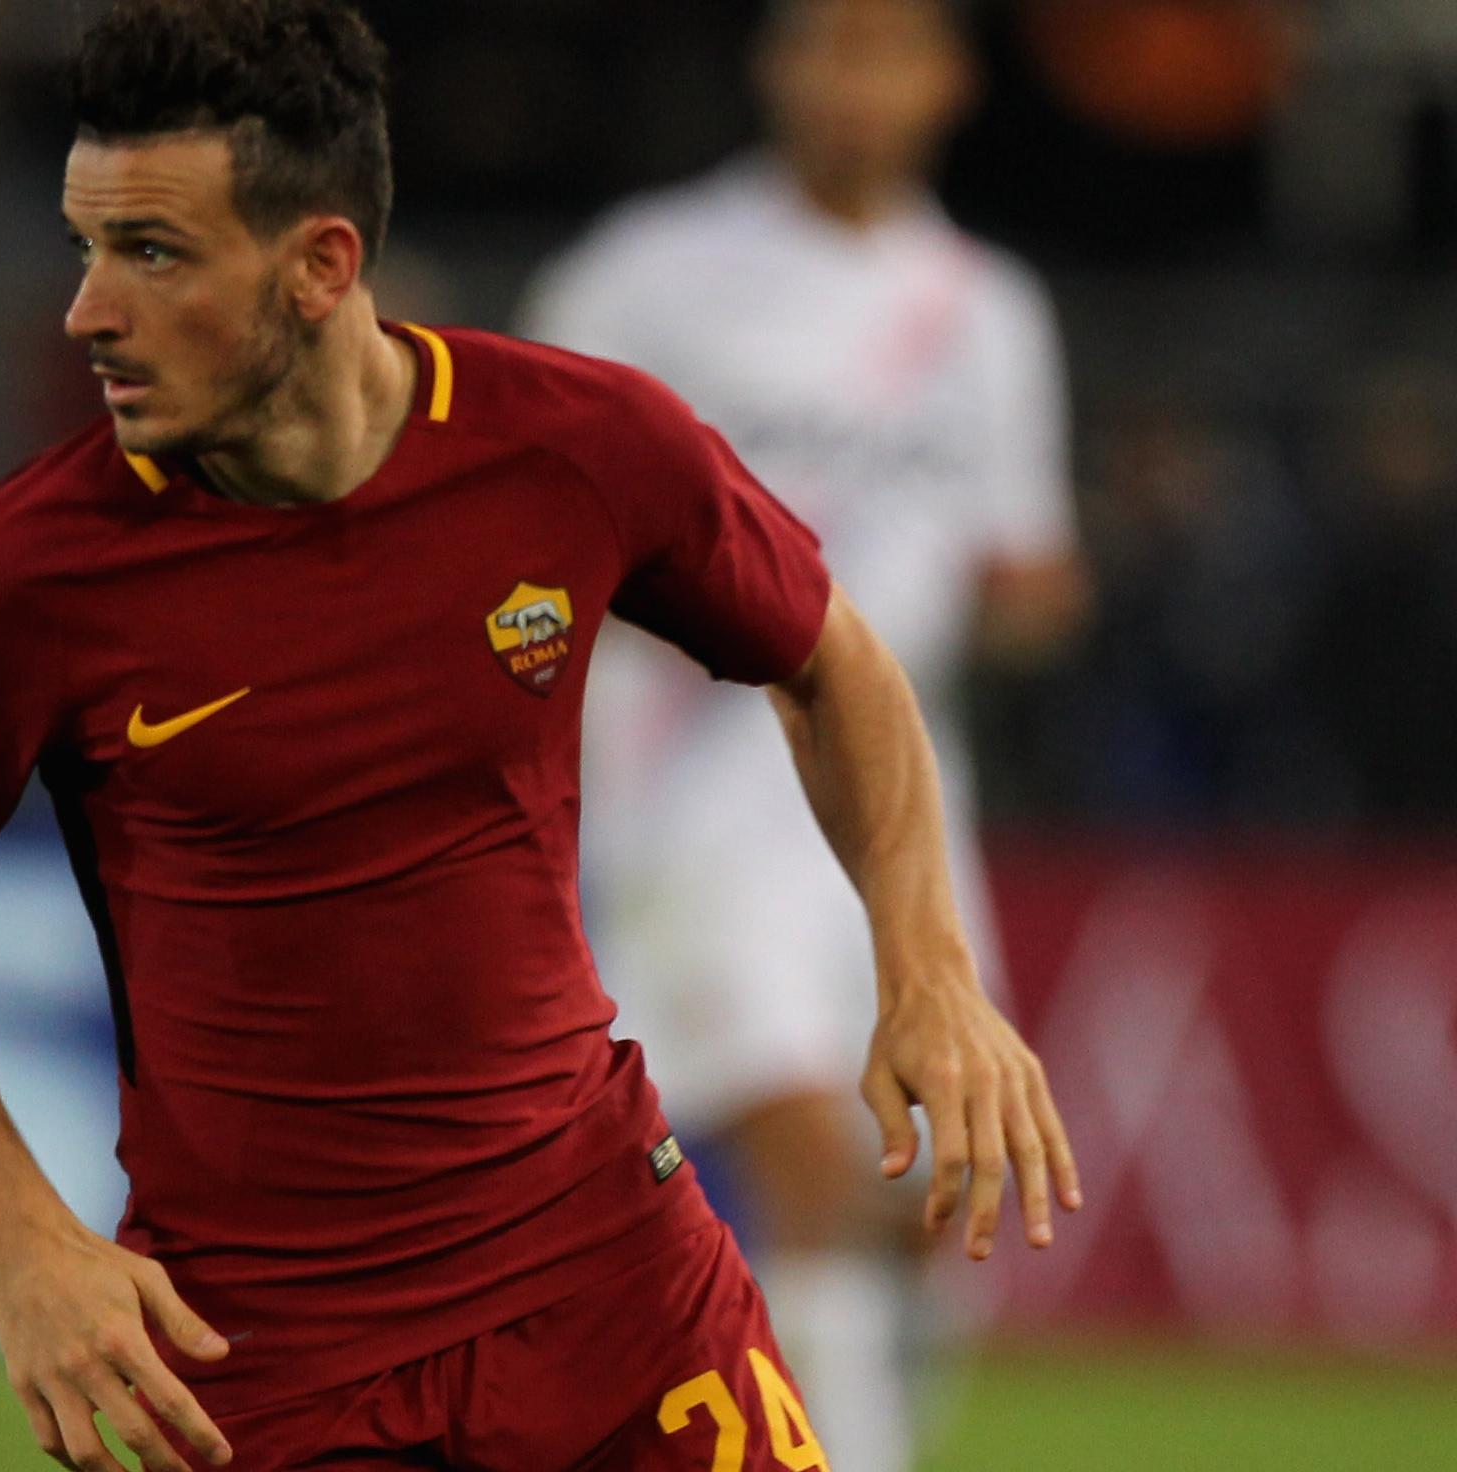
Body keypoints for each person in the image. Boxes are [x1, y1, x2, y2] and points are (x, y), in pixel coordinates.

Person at [0, 4, 1079, 1470]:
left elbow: (836, 660)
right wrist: (21, 1237)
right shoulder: (34, 569)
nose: (90, 309)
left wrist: (927, 976)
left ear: (320, 264)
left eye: (152, 253)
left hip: (612, 1277)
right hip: (262, 1351)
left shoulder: (576, 449)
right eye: (88, 247)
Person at [520, 3, 1089, 1469]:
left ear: (948, 81)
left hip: (900, 793)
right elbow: (516, 499)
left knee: (947, 1188)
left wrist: (1046, 593)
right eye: (824, 42)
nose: (852, 80)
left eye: (886, 46)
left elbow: (1023, 568)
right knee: (806, 1160)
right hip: (697, 776)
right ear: (773, 64)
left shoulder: (986, 311)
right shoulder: (649, 274)